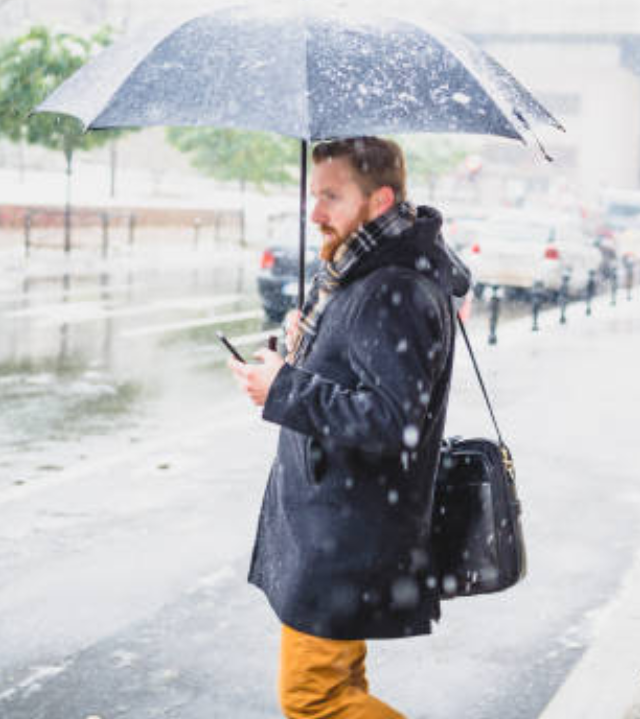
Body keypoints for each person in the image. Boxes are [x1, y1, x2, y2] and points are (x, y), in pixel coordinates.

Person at [229, 136, 470, 718]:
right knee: (344, 689)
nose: (315, 213)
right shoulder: (364, 273)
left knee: (317, 700)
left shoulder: (392, 289)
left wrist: (283, 389)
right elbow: (361, 374)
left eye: (332, 197)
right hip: (337, 525)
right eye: (316, 195)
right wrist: (305, 351)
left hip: (346, 530)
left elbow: (392, 419)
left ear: (380, 199)